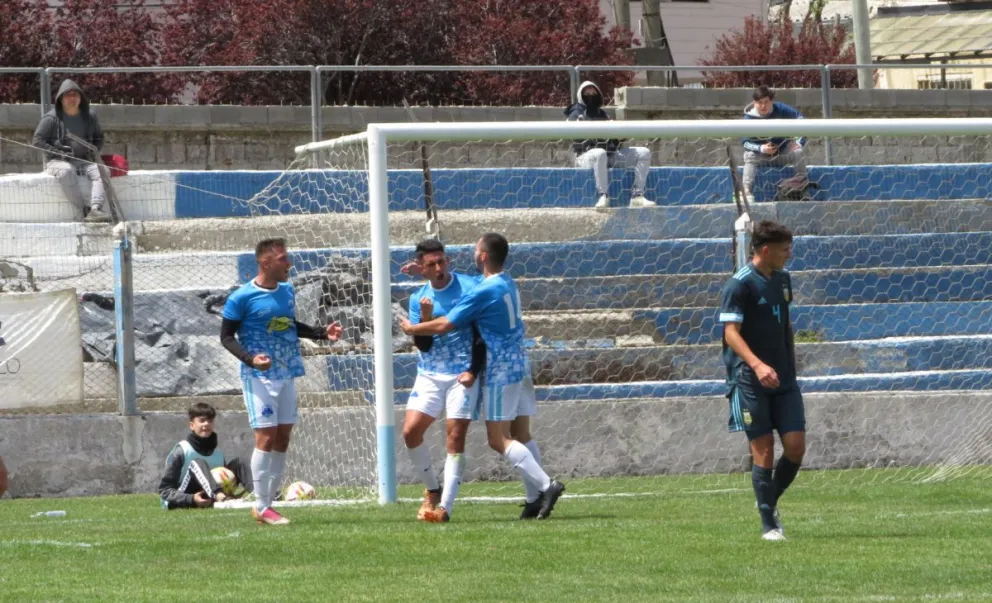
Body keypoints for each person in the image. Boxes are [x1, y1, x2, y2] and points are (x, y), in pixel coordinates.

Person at [401, 233, 565, 521]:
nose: (472, 254)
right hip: (520, 361)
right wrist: (426, 273)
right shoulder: (506, 280)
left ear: (484, 256)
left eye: (476, 249)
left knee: (498, 439)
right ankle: (533, 499)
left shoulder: (478, 290)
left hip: (501, 368)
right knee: (522, 434)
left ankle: (546, 486)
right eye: (433, 264)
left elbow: (445, 325)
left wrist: (411, 327)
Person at [220, 238, 343, 525]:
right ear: (265, 263)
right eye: (283, 259)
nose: (289, 264)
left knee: (282, 437)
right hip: (259, 377)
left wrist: (322, 333)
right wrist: (250, 359)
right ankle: (262, 506)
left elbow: (288, 323)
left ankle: (268, 500)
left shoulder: (287, 291)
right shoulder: (242, 297)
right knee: (264, 437)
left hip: (287, 373)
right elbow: (226, 337)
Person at [718, 220, 805, 541]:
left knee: (795, 447)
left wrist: (789, 364)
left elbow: (784, 325)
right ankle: (769, 524)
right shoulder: (738, 285)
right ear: (766, 251)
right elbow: (730, 333)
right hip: (750, 380)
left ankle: (769, 501)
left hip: (784, 379)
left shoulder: (783, 279)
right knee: (764, 451)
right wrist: (757, 365)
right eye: (785, 249)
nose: (789, 254)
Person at [402, 238, 486, 523]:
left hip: (462, 372)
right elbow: (423, 347)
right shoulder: (418, 299)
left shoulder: (468, 287)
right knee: (411, 432)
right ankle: (432, 489)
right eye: (431, 264)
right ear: (422, 268)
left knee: (455, 434)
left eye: (442, 261)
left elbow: (479, 333)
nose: (439, 267)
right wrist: (425, 318)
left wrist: (474, 370)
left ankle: (444, 508)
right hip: (429, 372)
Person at [565, 81, 656, 210]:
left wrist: (619, 135)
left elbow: (614, 138)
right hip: (586, 157)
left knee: (644, 152)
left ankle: (637, 196)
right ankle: (603, 196)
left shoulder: (603, 114)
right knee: (599, 153)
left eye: (593, 92)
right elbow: (576, 138)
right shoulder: (575, 114)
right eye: (587, 93)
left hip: (610, 155)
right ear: (581, 95)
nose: (591, 95)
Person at [32, 79, 111, 222]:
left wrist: (93, 152)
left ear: (81, 98)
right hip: (58, 161)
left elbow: (100, 137)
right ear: (61, 99)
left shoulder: (90, 116)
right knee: (67, 171)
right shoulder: (51, 118)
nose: (72, 98)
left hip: (84, 161)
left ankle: (96, 208)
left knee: (102, 170)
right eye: (68, 95)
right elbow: (37, 141)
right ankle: (84, 210)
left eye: (75, 95)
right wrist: (58, 152)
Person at [158, 402, 253, 510]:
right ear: (192, 425)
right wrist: (191, 498)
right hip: (186, 497)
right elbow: (164, 491)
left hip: (210, 497)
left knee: (240, 462)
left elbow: (224, 479)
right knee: (197, 463)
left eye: (210, 420)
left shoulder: (218, 454)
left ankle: (262, 495)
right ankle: (221, 497)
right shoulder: (182, 450)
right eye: (202, 420)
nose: (206, 424)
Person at [741, 86, 808, 203]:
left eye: (766, 102)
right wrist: (761, 148)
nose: (763, 106)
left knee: (798, 152)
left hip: (781, 154)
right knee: (749, 155)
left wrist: (799, 142)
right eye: (759, 102)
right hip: (761, 157)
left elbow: (802, 120)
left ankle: (802, 188)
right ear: (754, 103)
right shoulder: (749, 118)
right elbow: (745, 143)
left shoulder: (781, 109)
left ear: (771, 101)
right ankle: (746, 192)